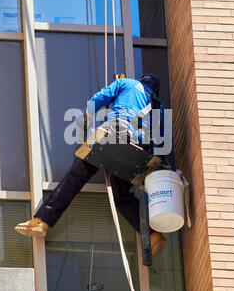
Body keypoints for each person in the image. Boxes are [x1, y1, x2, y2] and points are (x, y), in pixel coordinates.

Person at [15, 74, 170, 256]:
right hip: (137, 150)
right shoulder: (158, 106)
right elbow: (159, 141)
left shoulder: (127, 83)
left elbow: (97, 100)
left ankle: (42, 221)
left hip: (115, 133)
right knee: (122, 197)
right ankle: (154, 235)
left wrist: (86, 121)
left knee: (76, 176)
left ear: (142, 81)